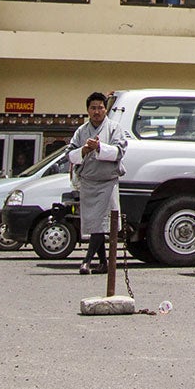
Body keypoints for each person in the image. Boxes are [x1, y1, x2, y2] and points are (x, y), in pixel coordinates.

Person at [67, 91, 128, 275]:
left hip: (107, 183)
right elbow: (70, 154)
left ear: (105, 110)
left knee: (102, 222)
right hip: (88, 183)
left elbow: (119, 151)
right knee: (95, 224)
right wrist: (84, 150)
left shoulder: (115, 128)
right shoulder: (81, 131)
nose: (97, 111)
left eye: (100, 108)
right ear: (87, 110)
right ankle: (103, 262)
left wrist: (100, 147)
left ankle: (86, 261)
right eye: (93, 108)